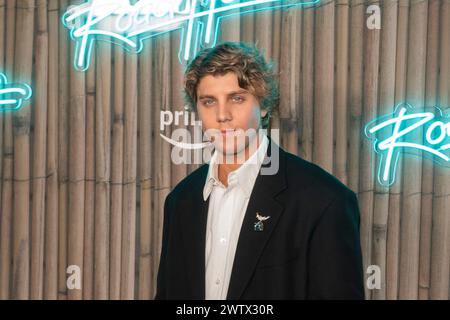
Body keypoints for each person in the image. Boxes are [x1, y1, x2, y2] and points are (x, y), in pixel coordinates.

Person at [155, 42, 364, 299]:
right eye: (209, 102)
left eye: (237, 98)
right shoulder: (180, 201)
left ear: (264, 105)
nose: (223, 115)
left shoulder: (324, 201)